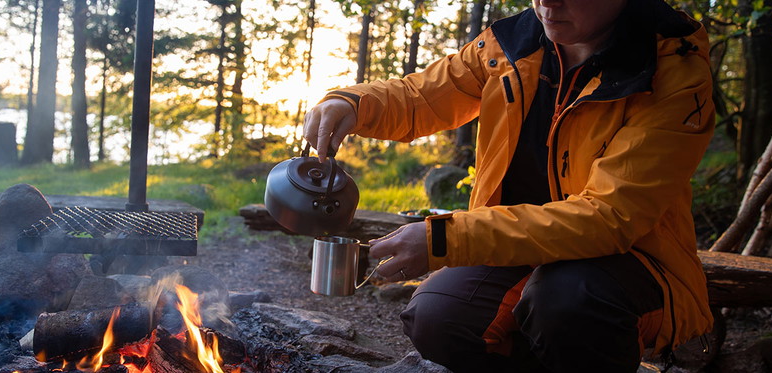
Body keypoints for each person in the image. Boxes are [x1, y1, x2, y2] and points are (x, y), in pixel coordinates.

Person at [301, 0, 715, 371]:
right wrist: (352, 102)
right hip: (514, 248)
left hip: (632, 262)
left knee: (566, 304)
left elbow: (608, 218)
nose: (547, 2)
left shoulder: (669, 70)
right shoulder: (512, 44)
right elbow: (422, 98)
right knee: (437, 317)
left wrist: (444, 239)